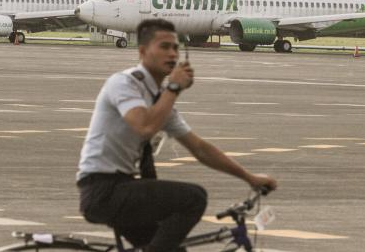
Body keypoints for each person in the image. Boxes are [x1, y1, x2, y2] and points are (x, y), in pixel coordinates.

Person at [76, 19, 277, 252]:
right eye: (164, 47)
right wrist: (174, 89)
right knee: (194, 198)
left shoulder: (161, 101)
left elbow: (200, 148)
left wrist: (248, 177)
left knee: (174, 249)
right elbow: (144, 127)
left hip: (124, 187)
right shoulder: (124, 83)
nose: (172, 53)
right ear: (142, 51)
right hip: (103, 190)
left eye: (175, 48)